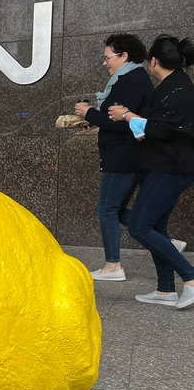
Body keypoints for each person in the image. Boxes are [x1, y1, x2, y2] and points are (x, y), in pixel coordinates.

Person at [108, 35, 194, 309]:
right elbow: (163, 127)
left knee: (139, 226)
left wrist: (128, 116)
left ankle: (190, 279)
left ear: (153, 62)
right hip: (167, 164)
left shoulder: (177, 87)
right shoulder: (176, 84)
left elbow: (161, 128)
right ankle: (165, 290)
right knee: (155, 226)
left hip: (170, 168)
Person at [74, 34, 153, 281]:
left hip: (122, 156)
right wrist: (95, 123)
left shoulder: (129, 80)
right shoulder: (134, 79)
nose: (104, 63)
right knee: (116, 209)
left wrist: (88, 112)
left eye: (108, 57)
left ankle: (113, 266)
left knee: (107, 209)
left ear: (124, 56)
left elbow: (119, 122)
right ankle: (163, 240)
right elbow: (119, 120)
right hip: (128, 155)